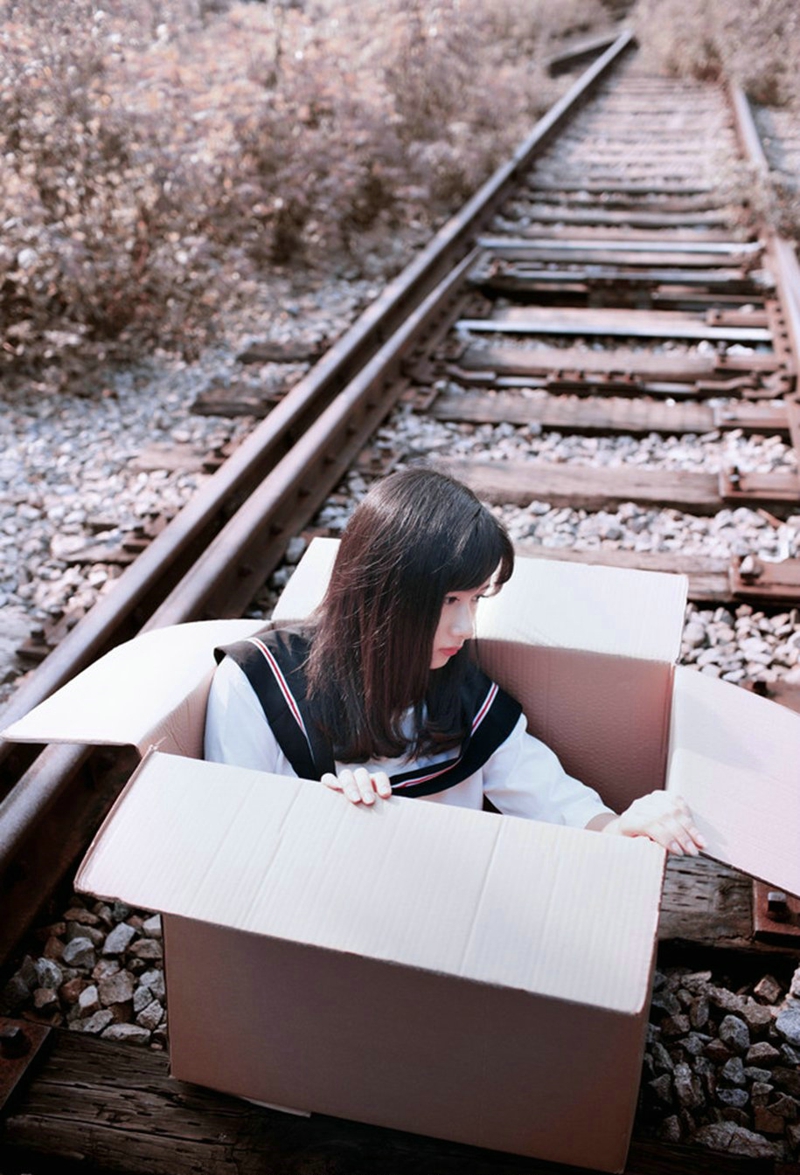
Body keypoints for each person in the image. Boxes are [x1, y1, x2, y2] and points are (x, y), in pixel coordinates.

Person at [204, 467, 706, 856]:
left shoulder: (463, 694)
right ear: (383, 594)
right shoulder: (258, 685)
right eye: (448, 601)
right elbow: (228, 848)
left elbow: (558, 805)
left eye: (476, 601)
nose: (467, 629)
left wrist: (628, 825)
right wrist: (322, 818)